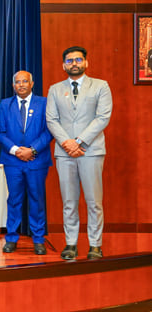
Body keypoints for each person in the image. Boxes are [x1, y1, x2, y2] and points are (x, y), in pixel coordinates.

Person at [46, 46, 113, 260]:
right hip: (64, 152)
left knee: (94, 201)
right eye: (69, 60)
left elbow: (103, 117)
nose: (74, 63)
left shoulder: (101, 86)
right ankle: (71, 243)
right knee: (69, 201)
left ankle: (95, 244)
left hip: (91, 150)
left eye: (78, 59)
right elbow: (51, 120)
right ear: (63, 65)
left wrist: (79, 141)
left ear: (86, 63)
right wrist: (67, 143)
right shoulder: (55, 89)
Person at [0, 71, 53, 255]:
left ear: (32, 83)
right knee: (14, 199)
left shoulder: (44, 103)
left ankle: (38, 239)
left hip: (37, 160)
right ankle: (11, 238)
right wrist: (16, 150)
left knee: (37, 199)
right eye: (17, 82)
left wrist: (32, 150)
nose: (21, 85)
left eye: (24, 81)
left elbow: (49, 131)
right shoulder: (5, 104)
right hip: (13, 161)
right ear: (13, 85)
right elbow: (1, 133)